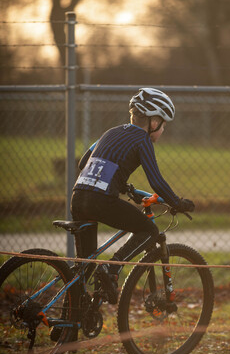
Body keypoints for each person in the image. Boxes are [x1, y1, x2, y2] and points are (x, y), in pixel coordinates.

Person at [71, 88, 195, 304]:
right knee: (149, 230)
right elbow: (156, 181)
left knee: (86, 264)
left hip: (78, 198)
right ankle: (113, 267)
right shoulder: (142, 140)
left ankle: (70, 322)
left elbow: (83, 163)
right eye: (163, 125)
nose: (162, 130)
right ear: (153, 122)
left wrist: (122, 185)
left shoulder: (110, 132)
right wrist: (178, 202)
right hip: (101, 201)